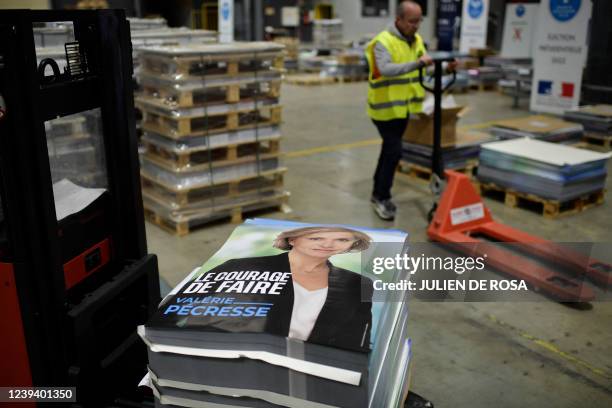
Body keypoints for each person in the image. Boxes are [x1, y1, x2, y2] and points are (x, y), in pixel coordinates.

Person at [199, 226, 374, 352]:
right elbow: (188, 310)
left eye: (342, 239)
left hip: (314, 372)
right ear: (292, 239)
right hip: (235, 358)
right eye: (315, 238)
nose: (328, 244)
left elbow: (357, 339)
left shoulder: (357, 284)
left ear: (352, 244)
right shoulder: (239, 266)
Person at [366, 1, 449, 220]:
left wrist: (445, 67)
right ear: (398, 20)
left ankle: (377, 191)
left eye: (419, 20)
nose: (416, 26)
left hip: (403, 108)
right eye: (412, 21)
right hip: (384, 110)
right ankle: (382, 197)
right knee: (394, 151)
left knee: (389, 150)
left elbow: (426, 66)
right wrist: (418, 64)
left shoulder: (417, 40)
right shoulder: (382, 42)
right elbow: (386, 69)